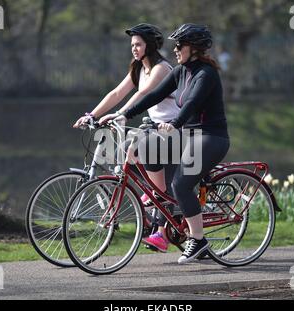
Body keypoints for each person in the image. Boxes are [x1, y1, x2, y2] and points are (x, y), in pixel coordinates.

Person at [104, 23, 230, 264]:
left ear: (193, 48)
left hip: (211, 137)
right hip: (187, 136)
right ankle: (161, 200)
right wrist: (125, 114)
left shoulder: (206, 73)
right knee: (146, 148)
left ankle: (199, 241)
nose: (175, 49)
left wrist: (175, 122)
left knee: (181, 184)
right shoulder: (180, 71)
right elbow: (154, 95)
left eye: (179, 45)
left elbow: (192, 102)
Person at [73, 23, 180, 252]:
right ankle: (148, 195)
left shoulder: (162, 68)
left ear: (149, 46)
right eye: (132, 45)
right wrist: (92, 115)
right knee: (129, 148)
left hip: (174, 129)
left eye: (138, 44)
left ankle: (160, 228)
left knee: (159, 178)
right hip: (153, 127)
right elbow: (117, 93)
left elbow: (144, 94)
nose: (134, 48)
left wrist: (121, 114)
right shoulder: (138, 69)